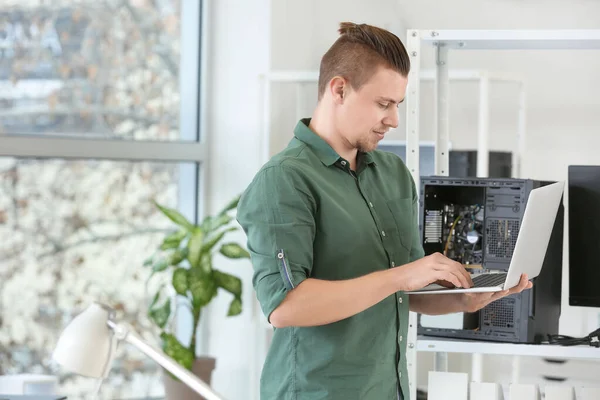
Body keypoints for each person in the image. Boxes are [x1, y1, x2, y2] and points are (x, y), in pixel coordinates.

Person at [237, 22, 532, 400]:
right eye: (383, 104)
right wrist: (399, 277)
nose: (393, 119)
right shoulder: (284, 180)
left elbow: (407, 292)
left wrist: (463, 300)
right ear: (339, 89)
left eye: (397, 105)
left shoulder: (392, 174)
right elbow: (285, 306)